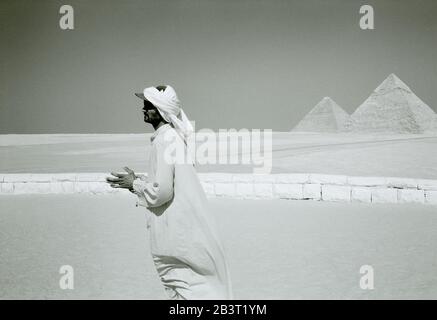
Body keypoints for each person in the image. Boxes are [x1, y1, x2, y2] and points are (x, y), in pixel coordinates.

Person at [106, 85, 233, 300]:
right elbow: (167, 184)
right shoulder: (172, 137)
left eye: (148, 105)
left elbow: (161, 192)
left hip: (175, 237)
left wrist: (134, 184)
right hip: (182, 234)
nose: (143, 109)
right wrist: (139, 181)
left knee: (186, 292)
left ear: (160, 109)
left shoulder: (165, 139)